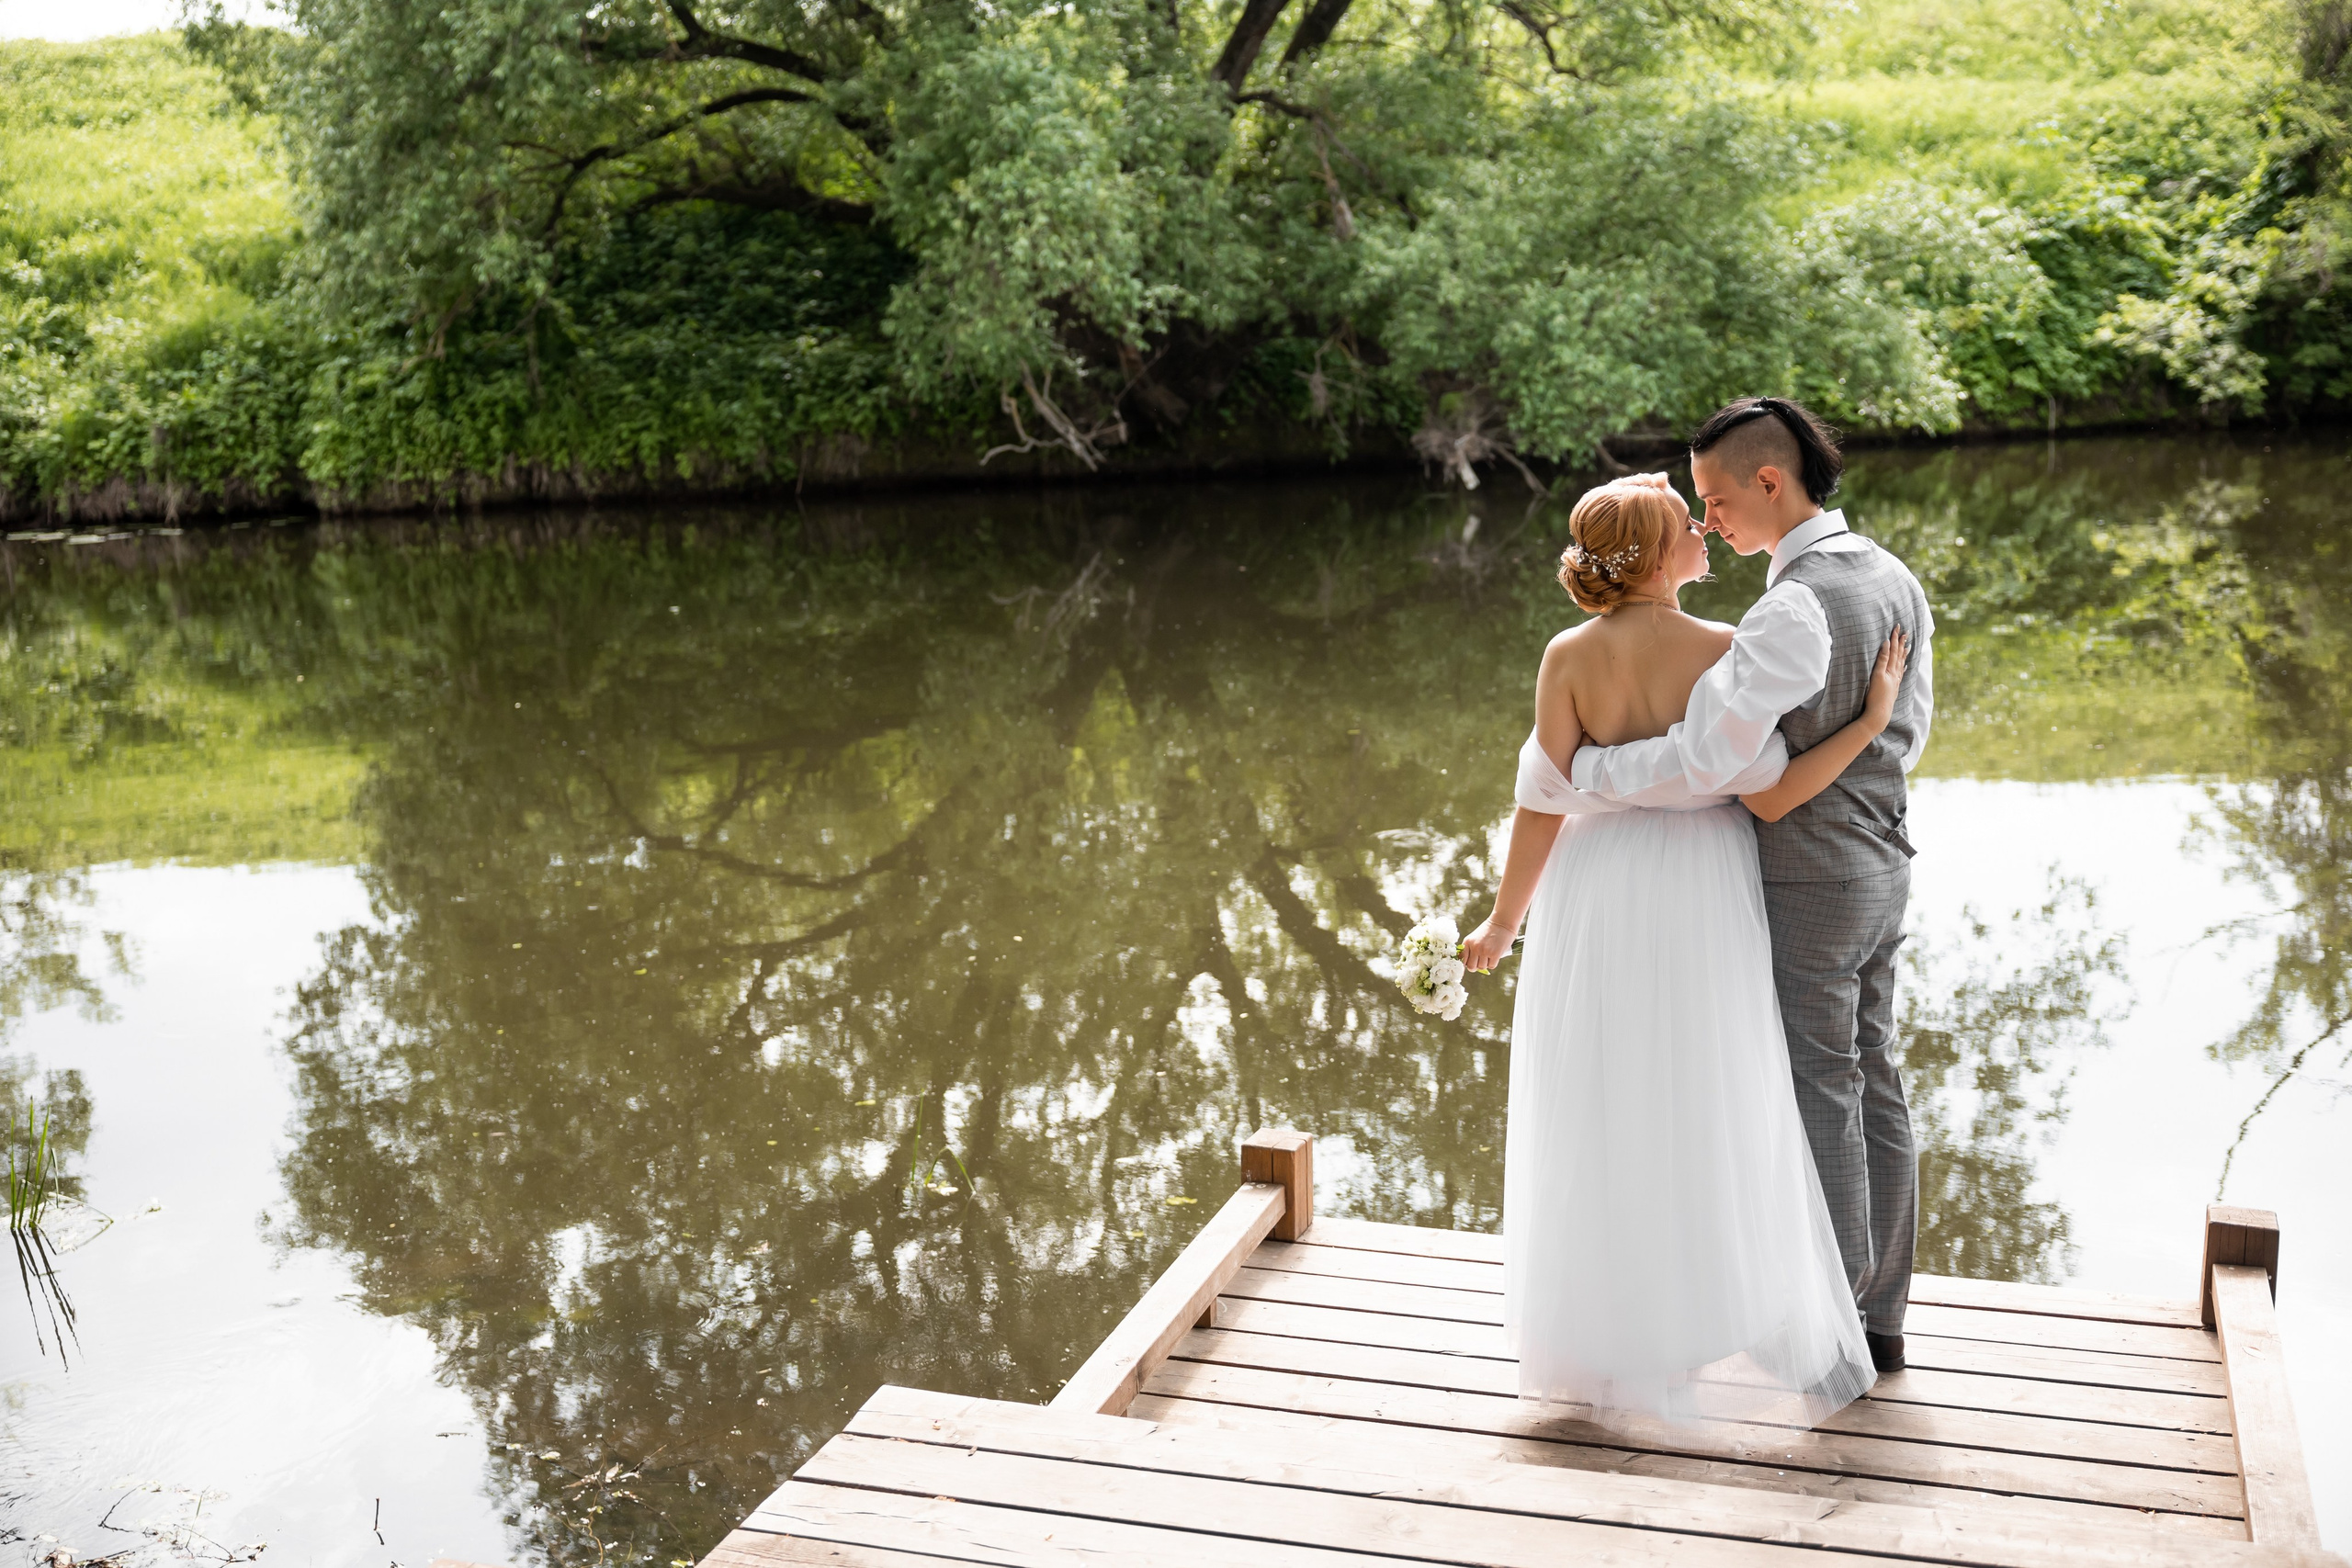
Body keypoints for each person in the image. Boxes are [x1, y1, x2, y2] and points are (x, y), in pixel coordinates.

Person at [1459, 473, 1906, 1424]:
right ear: (1663, 555)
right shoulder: (1727, 648)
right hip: (1702, 883)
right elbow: (1771, 791)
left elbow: (1541, 801)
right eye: (1688, 525)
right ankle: (1704, 1318)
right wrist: (1870, 723)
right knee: (1707, 1094)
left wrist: (1503, 922)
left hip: (1594, 883)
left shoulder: (1565, 655)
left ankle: (1615, 1330)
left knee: (1603, 1096)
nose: (1707, 531)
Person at [1564, 397, 1934, 1376]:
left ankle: (1832, 1332)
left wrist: (1586, 773)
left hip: (1811, 872)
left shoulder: (1789, 607)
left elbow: (1710, 761)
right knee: (1873, 1071)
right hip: (1885, 861)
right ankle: (1881, 1316)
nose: (1708, 520)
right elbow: (1909, 736)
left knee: (1820, 1085)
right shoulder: (1892, 576)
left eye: (1717, 499)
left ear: (1770, 481)